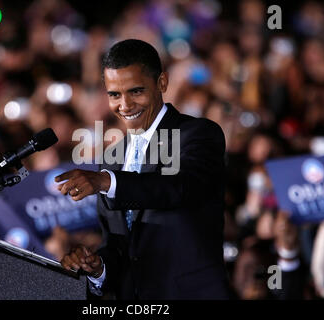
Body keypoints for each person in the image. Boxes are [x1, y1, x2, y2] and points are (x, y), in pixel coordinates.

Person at [56, 39, 230, 299]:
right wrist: (97, 267)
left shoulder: (197, 134)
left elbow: (178, 188)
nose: (124, 105)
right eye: (114, 94)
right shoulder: (111, 160)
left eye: (136, 91)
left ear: (161, 83)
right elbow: (117, 245)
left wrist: (107, 182)